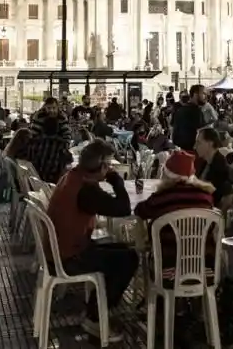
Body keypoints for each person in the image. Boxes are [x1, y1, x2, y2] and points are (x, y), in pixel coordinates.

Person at [46, 140, 138, 342]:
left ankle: (97, 309)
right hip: (70, 257)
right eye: (109, 164)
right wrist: (116, 181)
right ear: (102, 165)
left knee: (123, 249)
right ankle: (95, 318)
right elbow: (123, 208)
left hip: (62, 249)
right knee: (129, 259)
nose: (110, 168)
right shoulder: (86, 190)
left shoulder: (73, 176)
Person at [134, 150, 216, 265]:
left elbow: (139, 211)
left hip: (167, 267)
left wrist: (141, 242)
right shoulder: (206, 198)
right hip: (204, 266)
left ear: (167, 174)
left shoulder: (160, 198)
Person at [193, 127, 233, 209]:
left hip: (207, 212)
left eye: (198, 143)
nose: (195, 146)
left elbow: (223, 197)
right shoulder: (206, 162)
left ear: (210, 144)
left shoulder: (221, 167)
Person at [170, 84, 207, 152]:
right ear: (195, 95)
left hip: (180, 151)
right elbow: (202, 134)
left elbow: (173, 132)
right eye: (203, 93)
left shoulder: (180, 110)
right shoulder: (196, 111)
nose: (205, 96)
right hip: (192, 152)